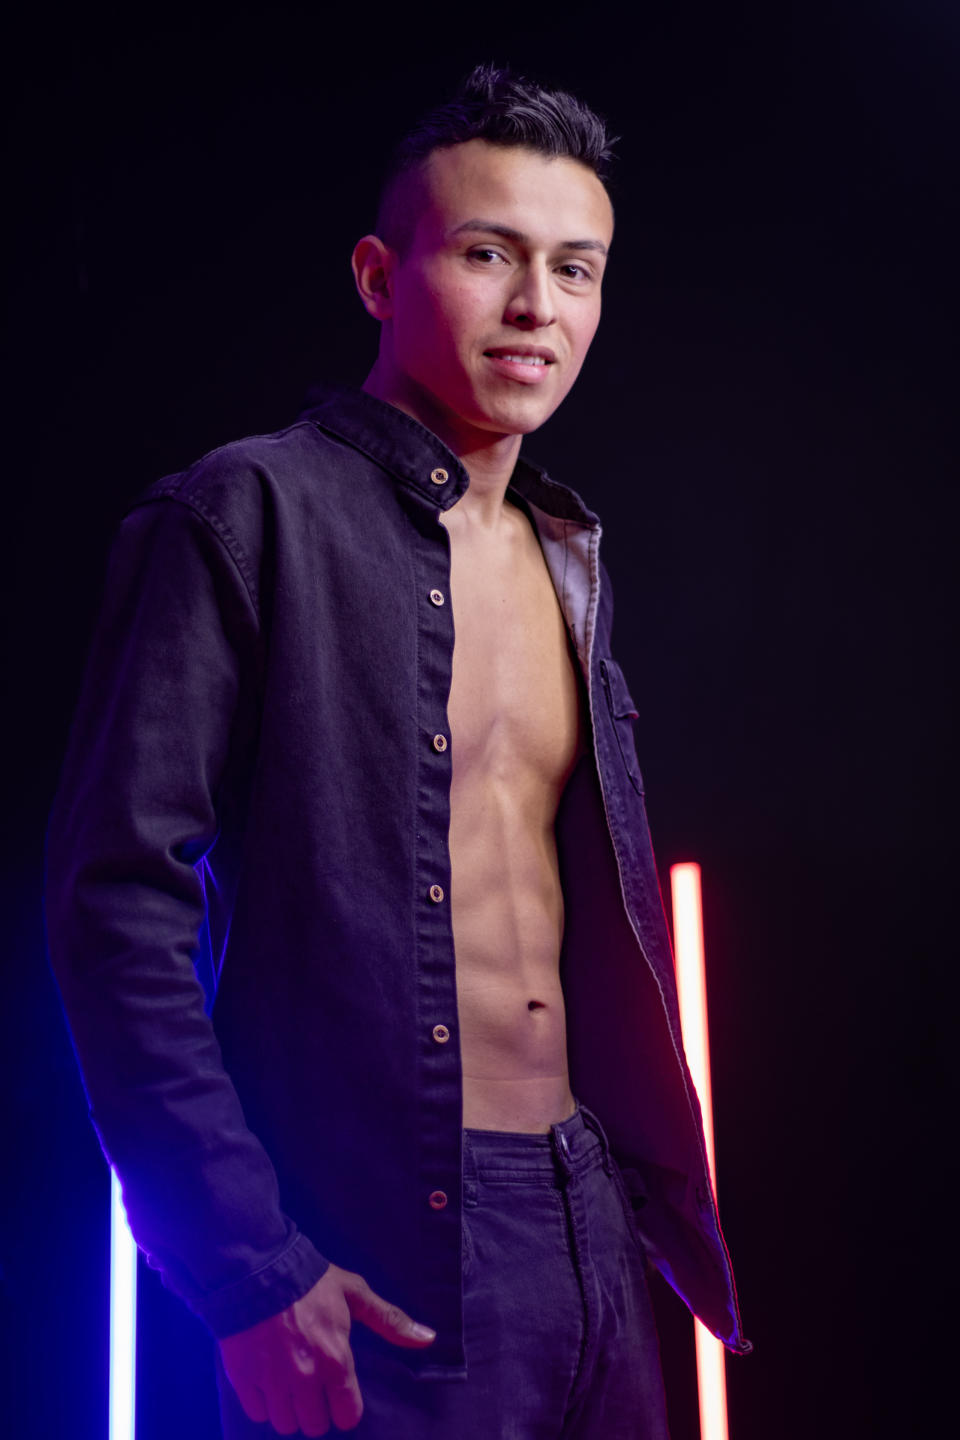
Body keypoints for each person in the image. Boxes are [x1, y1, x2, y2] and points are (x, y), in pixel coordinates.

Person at [46, 64, 749, 1439]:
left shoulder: (567, 558)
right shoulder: (242, 515)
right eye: (489, 254)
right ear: (380, 277)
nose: (537, 306)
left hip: (588, 1219)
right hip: (382, 1244)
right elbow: (112, 905)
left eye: (576, 268)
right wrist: (247, 1269)